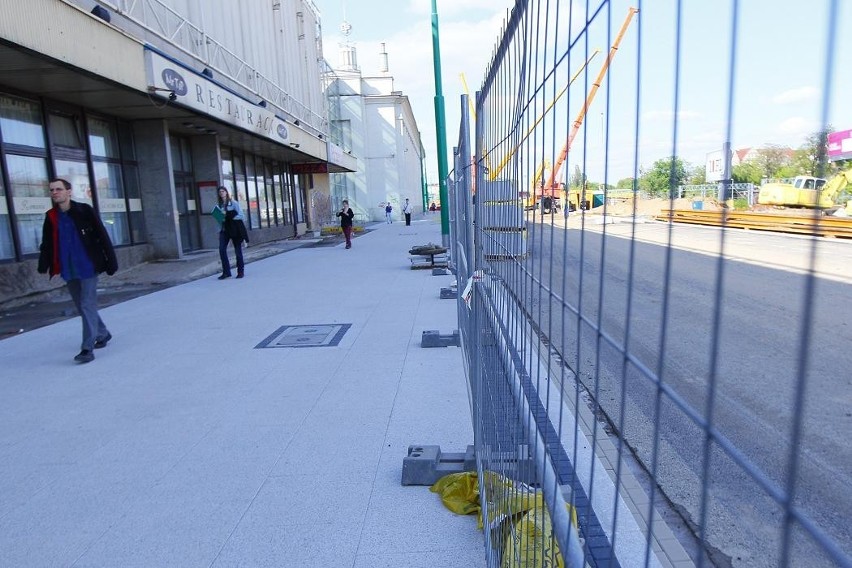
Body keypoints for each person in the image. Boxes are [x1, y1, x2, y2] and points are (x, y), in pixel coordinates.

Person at [37, 178, 118, 364]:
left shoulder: (84, 211)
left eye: (58, 189)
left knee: (87, 304)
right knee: (82, 306)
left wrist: (110, 261)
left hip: (88, 266)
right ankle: (103, 333)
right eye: (52, 190)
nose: (55, 192)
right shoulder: (51, 217)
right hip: (68, 268)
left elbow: (101, 234)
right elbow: (47, 244)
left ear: (69, 191)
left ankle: (87, 348)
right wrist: (44, 263)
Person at [214, 186, 249, 279]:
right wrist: (219, 217)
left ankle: (240, 271)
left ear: (226, 192)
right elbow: (220, 219)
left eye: (223, 191)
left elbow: (241, 215)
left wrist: (230, 216)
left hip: (234, 230)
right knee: (222, 250)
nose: (221, 193)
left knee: (238, 251)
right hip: (224, 230)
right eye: (220, 192)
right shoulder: (220, 205)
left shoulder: (233, 203)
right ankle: (226, 272)